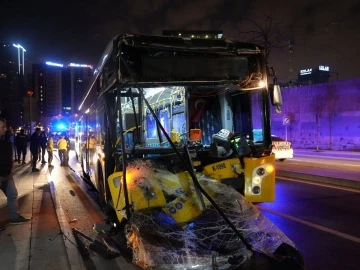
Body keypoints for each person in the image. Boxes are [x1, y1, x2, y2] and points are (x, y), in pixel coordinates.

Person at [0, 117, 31, 224]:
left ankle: (14, 217)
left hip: (7, 173)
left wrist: (10, 166)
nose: (5, 129)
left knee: (12, 194)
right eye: (2, 127)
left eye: (5, 127)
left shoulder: (6, 138)